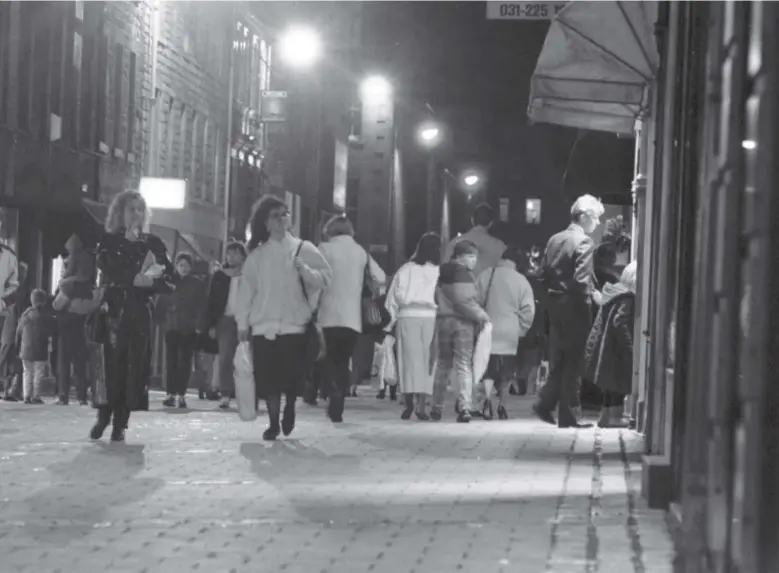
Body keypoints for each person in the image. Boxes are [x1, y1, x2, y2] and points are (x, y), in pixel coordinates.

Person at [235, 196, 332, 441]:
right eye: (275, 216)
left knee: (292, 377)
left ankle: (290, 407)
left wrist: (304, 270)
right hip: (263, 326)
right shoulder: (257, 256)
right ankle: (273, 422)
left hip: (294, 325)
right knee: (269, 380)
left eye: (285, 214)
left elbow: (325, 278)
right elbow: (246, 292)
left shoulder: (303, 248)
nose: (281, 219)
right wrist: (242, 324)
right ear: (266, 222)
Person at [91, 190, 176, 442]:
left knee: (133, 365)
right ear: (120, 212)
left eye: (140, 209)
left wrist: (149, 281)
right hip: (113, 309)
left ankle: (121, 421)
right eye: (131, 209)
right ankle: (103, 415)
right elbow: (107, 266)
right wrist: (131, 274)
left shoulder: (154, 243)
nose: (136, 214)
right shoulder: (109, 241)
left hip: (139, 310)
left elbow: (169, 279)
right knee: (109, 364)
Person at [533, 194, 605, 428]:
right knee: (575, 361)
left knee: (560, 359)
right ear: (584, 217)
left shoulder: (555, 239)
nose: (597, 223)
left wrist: (551, 300)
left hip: (555, 306)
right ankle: (569, 415)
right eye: (595, 218)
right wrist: (593, 299)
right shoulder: (584, 242)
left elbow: (541, 274)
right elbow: (582, 280)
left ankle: (546, 403)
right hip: (575, 307)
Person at [317, 214, 385, 423]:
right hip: (352, 316)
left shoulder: (324, 249)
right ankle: (339, 401)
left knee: (329, 356)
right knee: (344, 358)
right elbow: (380, 278)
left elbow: (313, 277)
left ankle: (331, 390)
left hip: (328, 312)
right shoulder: (360, 253)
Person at [432, 240, 490, 423]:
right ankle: (465, 406)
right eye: (472, 256)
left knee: (443, 364)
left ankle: (436, 406)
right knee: (464, 364)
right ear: (461, 256)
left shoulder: (442, 272)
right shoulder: (462, 273)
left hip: (442, 321)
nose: (474, 261)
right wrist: (482, 315)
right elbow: (463, 301)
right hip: (462, 323)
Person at [385, 232, 441, 421]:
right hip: (430, 317)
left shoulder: (406, 269)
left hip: (407, 316)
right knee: (427, 362)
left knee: (408, 361)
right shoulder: (438, 271)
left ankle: (408, 403)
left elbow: (392, 299)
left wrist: (390, 322)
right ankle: (422, 405)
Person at [476, 245, 535, 420]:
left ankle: (487, 401)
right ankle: (502, 405)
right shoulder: (521, 281)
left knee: (488, 369)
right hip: (510, 330)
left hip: (488, 328)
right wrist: (521, 328)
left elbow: (475, 300)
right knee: (506, 371)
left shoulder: (487, 274)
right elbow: (528, 310)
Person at [584, 260, 637, 428]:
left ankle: (605, 416)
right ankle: (615, 417)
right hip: (615, 348)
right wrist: (630, 346)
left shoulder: (614, 292)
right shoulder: (627, 297)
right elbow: (619, 321)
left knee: (609, 382)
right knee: (619, 382)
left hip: (606, 346)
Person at [159, 252, 206, 409]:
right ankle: (171, 393)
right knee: (171, 361)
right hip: (171, 326)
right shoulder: (169, 282)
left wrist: (199, 324)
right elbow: (162, 303)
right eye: (180, 265)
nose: (183, 268)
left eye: (186, 265)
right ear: (176, 266)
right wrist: (161, 321)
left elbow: (202, 306)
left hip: (189, 328)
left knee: (185, 361)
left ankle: (181, 394)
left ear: (191, 267)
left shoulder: (197, 284)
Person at [204, 241, 247, 410]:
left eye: (235, 253)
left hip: (245, 320)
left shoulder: (250, 274)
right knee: (225, 358)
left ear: (242, 256)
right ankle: (225, 394)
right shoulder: (220, 276)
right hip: (226, 319)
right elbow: (212, 301)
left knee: (245, 359)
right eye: (229, 254)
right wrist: (211, 324)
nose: (231, 257)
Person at [53, 274, 102, 405]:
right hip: (81, 328)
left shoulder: (67, 287)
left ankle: (63, 395)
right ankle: (82, 396)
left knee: (63, 364)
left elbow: (57, 305)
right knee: (80, 364)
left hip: (66, 329)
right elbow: (94, 306)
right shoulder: (92, 291)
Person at [442, 203, 506, 278]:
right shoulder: (500, 246)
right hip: (490, 288)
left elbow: (444, 272)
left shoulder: (455, 243)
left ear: (472, 220)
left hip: (461, 288)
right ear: (491, 223)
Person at [16, 289, 56, 404]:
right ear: (44, 302)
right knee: (38, 373)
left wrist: (17, 347)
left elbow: (18, 333)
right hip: (40, 349)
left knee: (27, 372)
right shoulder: (47, 317)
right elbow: (52, 332)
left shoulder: (24, 315)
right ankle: (36, 396)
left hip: (25, 349)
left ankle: (26, 396)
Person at [1, 261, 27, 402]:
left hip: (9, 328)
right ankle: (9, 390)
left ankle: (9, 390)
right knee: (9, 359)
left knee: (10, 360)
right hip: (10, 328)